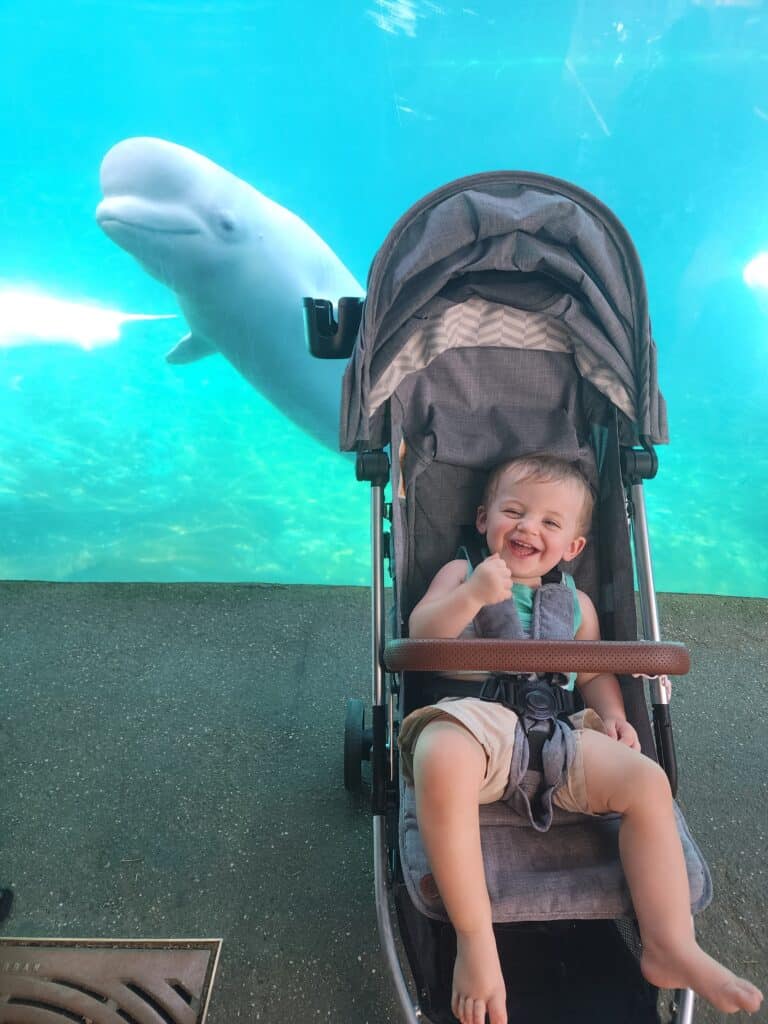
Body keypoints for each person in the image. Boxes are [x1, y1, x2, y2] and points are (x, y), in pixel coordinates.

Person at [398, 453, 763, 1024]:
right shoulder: (461, 573)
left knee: (647, 780)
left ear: (573, 548)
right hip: (478, 722)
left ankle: (670, 943)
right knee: (437, 751)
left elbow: (592, 672)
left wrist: (614, 717)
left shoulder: (577, 604)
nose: (527, 528)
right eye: (513, 511)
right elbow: (420, 638)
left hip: (559, 733)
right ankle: (477, 939)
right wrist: (472, 596)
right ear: (482, 519)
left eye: (550, 523)